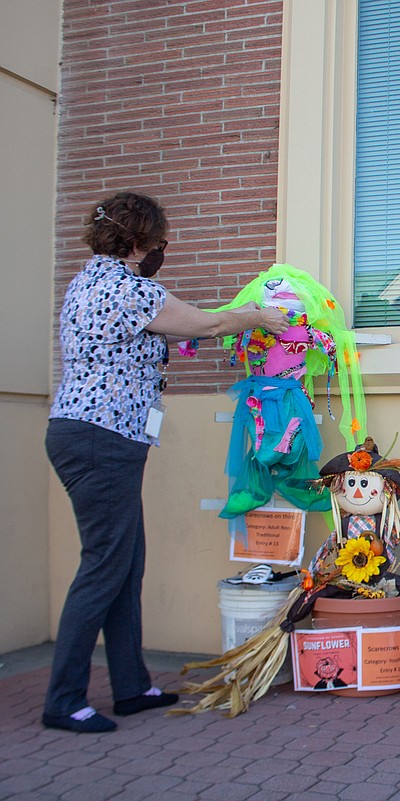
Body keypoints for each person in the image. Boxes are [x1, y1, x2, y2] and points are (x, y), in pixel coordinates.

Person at [43, 191, 291, 733]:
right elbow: (203, 325)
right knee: (105, 565)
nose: (159, 252)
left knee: (125, 562)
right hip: (100, 437)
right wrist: (258, 316)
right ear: (134, 244)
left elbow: (159, 335)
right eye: (156, 243)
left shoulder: (87, 280)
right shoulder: (127, 288)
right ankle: (63, 700)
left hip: (92, 434)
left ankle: (131, 688)